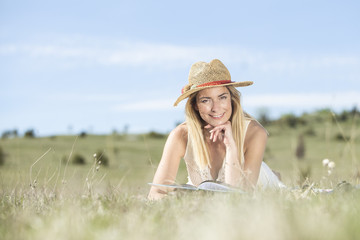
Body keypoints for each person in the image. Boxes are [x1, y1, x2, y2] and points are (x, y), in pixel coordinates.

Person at [148, 59, 285, 200]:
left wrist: (231, 147)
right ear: (195, 105)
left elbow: (240, 198)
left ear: (232, 99)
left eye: (222, 97)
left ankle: (274, 177)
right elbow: (155, 193)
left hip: (258, 186)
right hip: (208, 197)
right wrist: (176, 199)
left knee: (282, 190)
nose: (216, 108)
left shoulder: (255, 132)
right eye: (205, 100)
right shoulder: (181, 135)